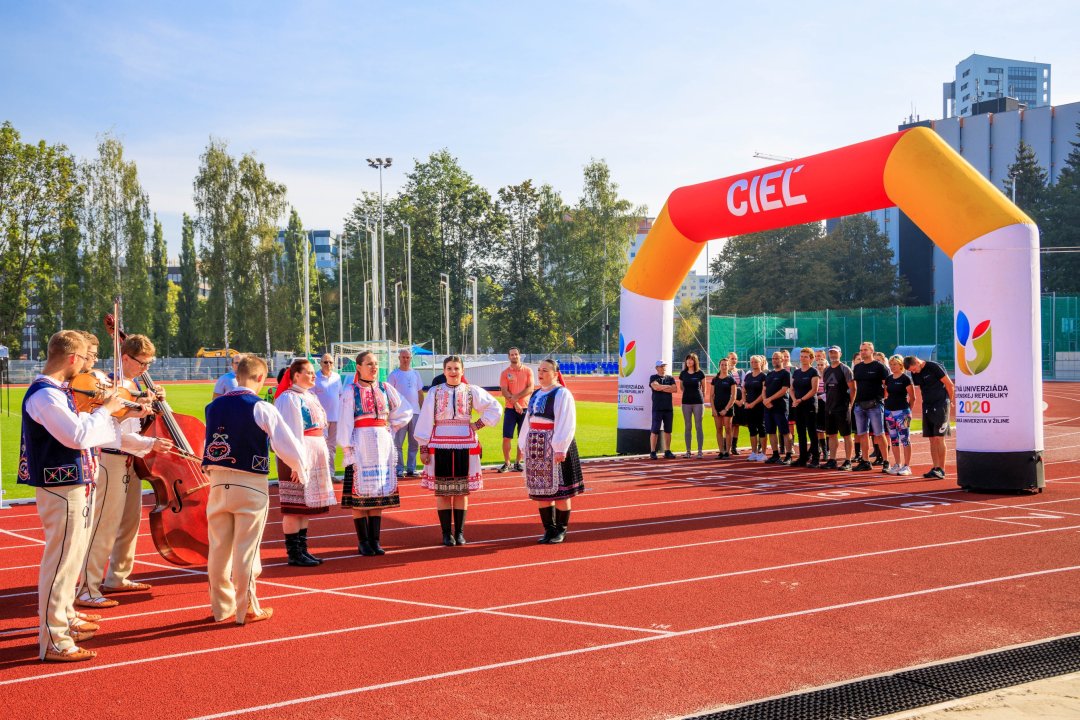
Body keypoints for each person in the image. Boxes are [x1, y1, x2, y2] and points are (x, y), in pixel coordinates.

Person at [19, 330, 128, 662]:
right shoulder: (45, 395)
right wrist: (105, 410)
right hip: (62, 488)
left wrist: (118, 411)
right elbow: (77, 436)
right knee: (61, 565)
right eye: (84, 359)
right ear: (71, 358)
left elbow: (88, 432)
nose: (86, 367)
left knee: (69, 562)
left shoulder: (56, 392)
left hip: (72, 485)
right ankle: (54, 639)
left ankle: (63, 621)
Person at [203, 354, 309, 625]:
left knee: (218, 548)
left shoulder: (212, 407)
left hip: (217, 481)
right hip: (249, 482)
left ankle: (221, 608)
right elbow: (285, 442)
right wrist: (300, 468)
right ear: (261, 377)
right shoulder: (261, 406)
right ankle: (247, 608)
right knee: (247, 549)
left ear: (237, 375)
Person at [77, 334, 173, 610]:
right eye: (141, 363)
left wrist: (156, 407)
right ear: (125, 358)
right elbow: (112, 433)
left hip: (133, 461)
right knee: (104, 525)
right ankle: (87, 587)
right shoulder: (108, 387)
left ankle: (117, 576)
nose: (145, 369)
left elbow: (139, 425)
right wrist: (150, 444)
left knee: (130, 522)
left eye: (149, 364)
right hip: (112, 458)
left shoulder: (135, 386)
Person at [415, 356, 502, 546]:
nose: (453, 372)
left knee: (462, 491)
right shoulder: (435, 392)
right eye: (449, 368)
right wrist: (423, 447)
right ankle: (447, 534)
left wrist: (478, 424)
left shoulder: (471, 390)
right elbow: (425, 419)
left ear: (462, 371)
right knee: (443, 491)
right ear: (444, 371)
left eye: (456, 368)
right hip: (439, 444)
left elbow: (495, 407)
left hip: (465, 443)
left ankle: (460, 532)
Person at [337, 351, 413, 555]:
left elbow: (405, 410)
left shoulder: (385, 388)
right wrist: (347, 447)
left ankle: (375, 540)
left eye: (376, 364)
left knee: (378, 492)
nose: (374, 367)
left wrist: (391, 427)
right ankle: (363, 541)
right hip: (360, 444)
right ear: (359, 367)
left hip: (382, 445)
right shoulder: (351, 391)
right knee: (360, 494)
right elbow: (344, 421)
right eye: (369, 364)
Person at [274, 359, 337, 566]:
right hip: (296, 458)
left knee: (304, 506)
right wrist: (295, 463)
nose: (313, 375)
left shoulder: (309, 396)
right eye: (309, 372)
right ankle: (294, 553)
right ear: (296, 375)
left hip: (311, 455)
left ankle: (302, 549)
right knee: (293, 507)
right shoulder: (288, 398)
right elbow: (289, 434)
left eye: (313, 372)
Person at [519, 358, 584, 544]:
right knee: (541, 490)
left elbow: (567, 422)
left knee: (561, 491)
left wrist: (560, 448)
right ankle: (549, 529)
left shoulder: (562, 394)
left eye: (545, 370)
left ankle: (561, 530)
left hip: (555, 446)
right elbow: (528, 421)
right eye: (539, 370)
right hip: (536, 446)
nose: (540, 373)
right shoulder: (536, 394)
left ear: (555, 374)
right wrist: (523, 443)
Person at [904, 355, 955, 480]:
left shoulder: (933, 367)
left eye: (913, 369)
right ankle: (935, 467)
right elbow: (922, 388)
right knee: (931, 438)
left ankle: (942, 469)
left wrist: (949, 401)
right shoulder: (915, 373)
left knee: (939, 438)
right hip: (927, 406)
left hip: (941, 405)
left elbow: (949, 384)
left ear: (917, 362)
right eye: (911, 371)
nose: (913, 372)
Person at [851, 342, 891, 472]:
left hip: (875, 404)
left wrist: (882, 399)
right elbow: (855, 386)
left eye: (865, 350)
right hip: (859, 405)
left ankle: (886, 461)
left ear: (872, 351)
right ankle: (865, 461)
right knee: (862, 434)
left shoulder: (880, 367)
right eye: (861, 350)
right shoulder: (857, 367)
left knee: (879, 434)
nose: (863, 352)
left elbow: (887, 385)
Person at [387, 348, 424, 478]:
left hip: (415, 413)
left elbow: (420, 393)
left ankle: (411, 468)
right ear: (399, 358)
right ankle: (399, 468)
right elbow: (389, 395)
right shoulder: (394, 375)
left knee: (414, 443)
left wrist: (423, 411)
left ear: (411, 359)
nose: (405, 360)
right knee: (398, 443)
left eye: (408, 357)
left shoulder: (416, 374)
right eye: (403, 357)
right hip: (400, 415)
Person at [498, 347, 534, 472]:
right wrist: (515, 404)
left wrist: (516, 399)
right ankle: (507, 463)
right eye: (512, 355)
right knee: (506, 437)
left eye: (516, 354)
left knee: (522, 437)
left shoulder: (528, 371)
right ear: (509, 357)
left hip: (525, 409)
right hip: (510, 409)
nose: (514, 356)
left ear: (520, 355)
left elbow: (530, 388)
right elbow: (504, 391)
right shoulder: (505, 373)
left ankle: (518, 462)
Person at [822, 346, 856, 471]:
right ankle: (832, 460)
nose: (833, 355)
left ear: (840, 354)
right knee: (831, 434)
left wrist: (850, 404)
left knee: (846, 435)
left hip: (842, 407)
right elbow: (827, 389)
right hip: (829, 408)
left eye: (835, 353)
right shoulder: (826, 370)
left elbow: (853, 389)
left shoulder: (845, 369)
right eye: (831, 353)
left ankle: (848, 461)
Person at [311, 354, 342, 481]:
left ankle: (331, 474)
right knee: (320, 447)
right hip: (320, 419)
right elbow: (311, 397)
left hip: (335, 417)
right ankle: (319, 474)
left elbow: (340, 395)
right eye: (325, 362)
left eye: (330, 362)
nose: (328, 364)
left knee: (332, 447)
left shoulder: (337, 377)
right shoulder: (315, 377)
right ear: (320, 363)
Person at [884, 355, 915, 476]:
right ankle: (897, 464)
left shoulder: (906, 379)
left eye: (895, 364)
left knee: (905, 439)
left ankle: (907, 466)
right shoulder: (888, 379)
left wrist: (908, 412)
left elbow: (913, 397)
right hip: (889, 412)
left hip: (903, 413)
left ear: (901, 365)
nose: (892, 367)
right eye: (891, 364)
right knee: (893, 439)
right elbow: (886, 394)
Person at [790, 348, 820, 467]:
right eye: (801, 356)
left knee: (812, 432)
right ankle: (802, 458)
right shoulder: (796, 372)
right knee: (801, 432)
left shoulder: (814, 372)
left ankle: (815, 458)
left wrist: (801, 399)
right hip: (798, 406)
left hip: (809, 405)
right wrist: (794, 400)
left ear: (811, 359)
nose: (803, 358)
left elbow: (814, 390)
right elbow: (791, 388)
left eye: (806, 356)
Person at [762, 351, 792, 465]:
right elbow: (764, 389)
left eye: (777, 358)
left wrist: (770, 399)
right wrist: (765, 400)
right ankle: (775, 455)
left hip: (780, 407)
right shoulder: (769, 374)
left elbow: (784, 390)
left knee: (785, 431)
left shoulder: (785, 374)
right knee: (771, 431)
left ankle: (788, 455)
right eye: (773, 358)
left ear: (782, 360)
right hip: (768, 407)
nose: (774, 360)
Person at [678, 352, 707, 458]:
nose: (689, 361)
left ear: (695, 361)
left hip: (698, 402)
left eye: (691, 359)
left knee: (698, 426)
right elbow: (681, 387)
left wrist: (700, 398)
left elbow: (704, 388)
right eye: (688, 359)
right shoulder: (683, 373)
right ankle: (688, 451)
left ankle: (700, 451)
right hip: (686, 402)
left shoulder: (700, 373)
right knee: (687, 427)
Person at [709, 357, 738, 458]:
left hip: (727, 408)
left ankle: (727, 452)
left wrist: (726, 409)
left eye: (726, 365)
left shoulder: (731, 379)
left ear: (728, 366)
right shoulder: (715, 379)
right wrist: (713, 409)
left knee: (728, 429)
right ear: (719, 366)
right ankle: (721, 451)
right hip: (717, 407)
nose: (724, 366)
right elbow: (711, 396)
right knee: (719, 429)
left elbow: (733, 396)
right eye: (722, 365)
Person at [648, 360, 677, 460]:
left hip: (668, 408)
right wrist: (668, 387)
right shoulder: (653, 377)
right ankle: (653, 451)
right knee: (655, 430)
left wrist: (661, 387)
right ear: (657, 368)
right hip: (657, 408)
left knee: (668, 430)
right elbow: (655, 387)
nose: (663, 368)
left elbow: (674, 389)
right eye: (661, 366)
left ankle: (667, 450)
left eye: (664, 366)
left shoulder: (670, 378)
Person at [742, 356, 768, 461]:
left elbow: (763, 393)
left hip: (760, 407)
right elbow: (743, 390)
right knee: (752, 429)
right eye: (752, 362)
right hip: (749, 407)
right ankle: (753, 452)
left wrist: (754, 403)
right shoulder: (748, 376)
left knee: (761, 428)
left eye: (756, 362)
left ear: (761, 363)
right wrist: (745, 402)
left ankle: (763, 453)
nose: (753, 363)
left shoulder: (763, 376)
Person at [814, 351, 830, 465]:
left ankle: (828, 450)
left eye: (822, 365)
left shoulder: (829, 376)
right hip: (817, 404)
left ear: (826, 366)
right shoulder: (815, 377)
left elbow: (831, 391)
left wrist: (821, 397)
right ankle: (823, 451)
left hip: (826, 404)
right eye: (818, 365)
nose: (820, 367)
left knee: (828, 428)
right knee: (819, 429)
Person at [727, 352, 744, 455]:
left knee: (737, 424)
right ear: (728, 359)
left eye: (735, 359)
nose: (734, 360)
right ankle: (726, 447)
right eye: (732, 358)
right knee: (729, 425)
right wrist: (735, 401)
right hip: (730, 401)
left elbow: (744, 386)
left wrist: (742, 400)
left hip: (740, 400)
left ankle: (734, 447)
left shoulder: (741, 371)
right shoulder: (725, 372)